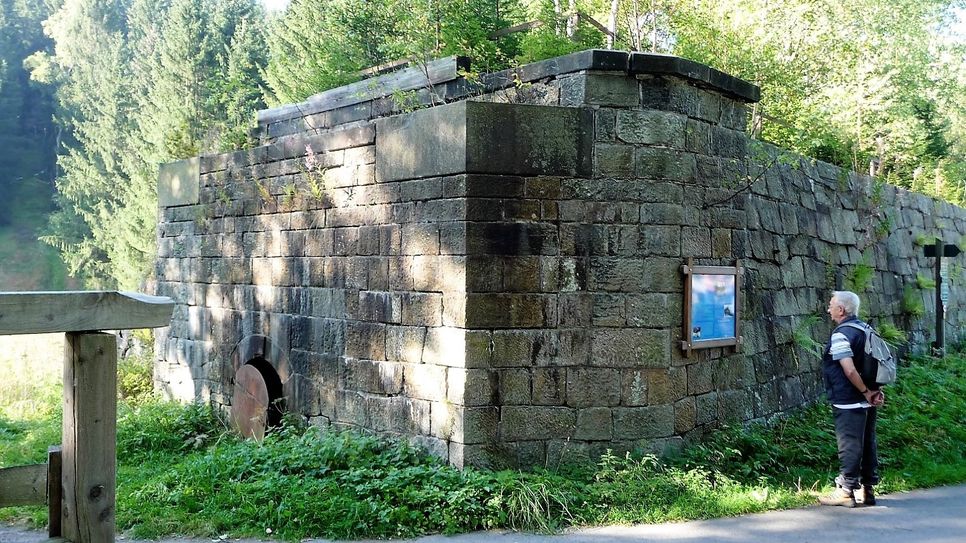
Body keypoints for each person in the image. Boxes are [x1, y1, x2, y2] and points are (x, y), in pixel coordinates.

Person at [818, 291, 885, 508]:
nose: (828, 310)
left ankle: (846, 490)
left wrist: (865, 391)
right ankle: (868, 489)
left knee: (849, 443)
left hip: (849, 397)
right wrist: (875, 390)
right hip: (867, 398)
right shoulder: (866, 329)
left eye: (831, 306)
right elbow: (878, 363)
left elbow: (849, 370)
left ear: (841, 310)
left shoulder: (841, 334)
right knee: (867, 441)